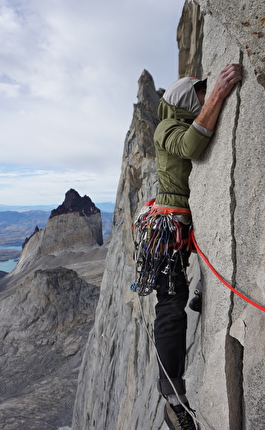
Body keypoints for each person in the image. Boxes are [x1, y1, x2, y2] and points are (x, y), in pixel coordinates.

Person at [132, 64, 242, 430]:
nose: (202, 100)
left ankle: (199, 291)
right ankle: (172, 398)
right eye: (198, 94)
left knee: (178, 296)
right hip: (167, 229)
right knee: (170, 309)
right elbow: (193, 146)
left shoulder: (174, 122)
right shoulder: (167, 127)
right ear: (184, 99)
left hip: (173, 227)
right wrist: (218, 97)